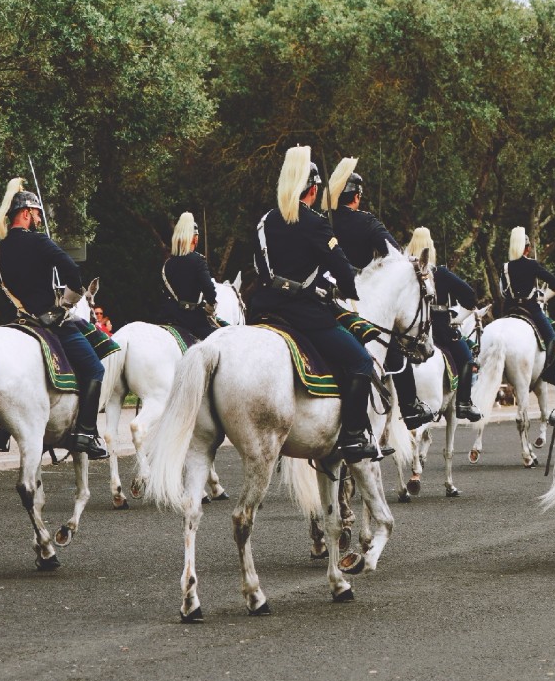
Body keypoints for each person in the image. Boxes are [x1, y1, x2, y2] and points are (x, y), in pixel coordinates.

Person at [247, 147, 382, 462]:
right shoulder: (315, 223)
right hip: (304, 315)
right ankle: (352, 436)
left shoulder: (264, 221)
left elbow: (259, 267)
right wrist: (350, 290)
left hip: (263, 311)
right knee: (361, 360)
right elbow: (342, 272)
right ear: (311, 189)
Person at [0, 178, 114, 458]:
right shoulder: (39, 242)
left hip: (17, 322)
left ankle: (1, 430)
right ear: (25, 214)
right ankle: (85, 432)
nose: (37, 219)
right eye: (36, 214)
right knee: (95, 369)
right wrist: (65, 304)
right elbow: (73, 273)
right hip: (48, 321)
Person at [320, 159, 430, 429]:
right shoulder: (367, 222)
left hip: (320, 296)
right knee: (392, 347)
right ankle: (410, 406)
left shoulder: (321, 222)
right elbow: (396, 257)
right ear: (356, 197)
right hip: (355, 297)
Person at [408, 227, 484, 423]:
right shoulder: (439, 272)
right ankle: (464, 403)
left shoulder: (405, 271)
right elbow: (470, 296)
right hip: (438, 329)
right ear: (430, 247)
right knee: (467, 358)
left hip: (409, 330)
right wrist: (457, 320)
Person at [158, 211, 221, 347]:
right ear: (194, 238)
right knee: (219, 344)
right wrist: (210, 306)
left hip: (168, 317)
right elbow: (210, 290)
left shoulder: (167, 264)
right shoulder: (198, 260)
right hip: (192, 321)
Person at [500, 225, 555, 361]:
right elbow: (554, 282)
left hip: (509, 308)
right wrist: (544, 298)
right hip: (530, 308)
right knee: (551, 337)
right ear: (527, 249)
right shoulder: (532, 265)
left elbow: (503, 292)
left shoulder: (505, 267)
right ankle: (548, 369)